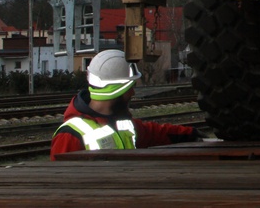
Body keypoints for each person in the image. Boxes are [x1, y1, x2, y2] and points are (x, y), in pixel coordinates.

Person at [51, 49, 200, 159]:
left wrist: (191, 134)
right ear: (116, 90)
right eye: (130, 88)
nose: (132, 94)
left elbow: (155, 133)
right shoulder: (70, 136)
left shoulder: (121, 124)